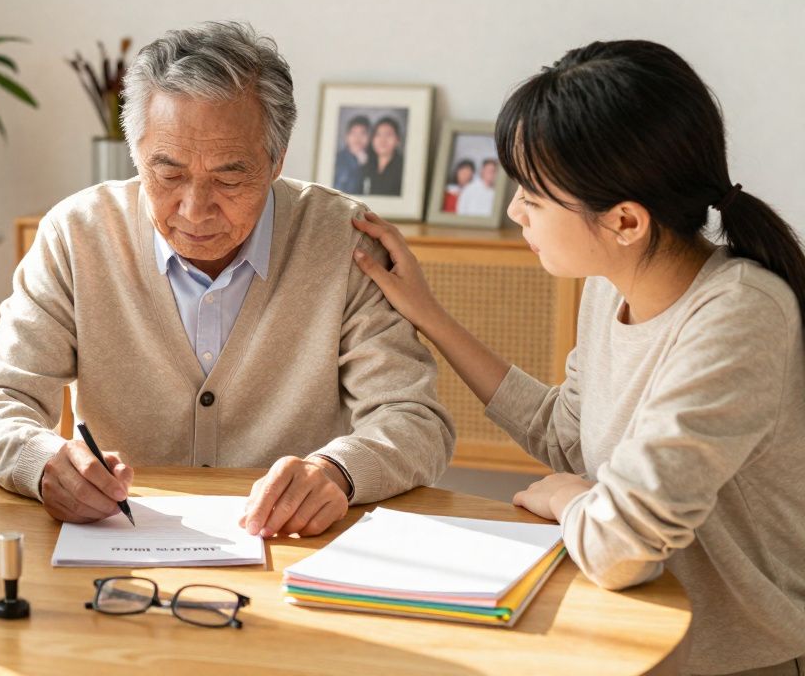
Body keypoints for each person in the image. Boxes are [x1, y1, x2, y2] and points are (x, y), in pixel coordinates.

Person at [351, 40, 805, 676]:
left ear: (625, 222)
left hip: (732, 660)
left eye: (533, 199)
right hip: (628, 641)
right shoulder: (610, 286)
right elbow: (566, 435)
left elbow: (623, 546)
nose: (514, 212)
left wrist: (571, 501)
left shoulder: (740, 316)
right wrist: (429, 314)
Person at [0, 21, 453, 541]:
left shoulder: (343, 242)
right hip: (119, 551)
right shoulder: (76, 235)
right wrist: (44, 461)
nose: (195, 209)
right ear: (136, 154)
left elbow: (415, 420)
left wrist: (339, 472)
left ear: (277, 160)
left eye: (229, 177)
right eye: (167, 174)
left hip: (292, 549)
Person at [364, 117, 404, 196]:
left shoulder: (403, 168)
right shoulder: (366, 167)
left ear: (398, 140)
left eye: (388, 135)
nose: (382, 140)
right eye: (378, 135)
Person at [332, 115, 371, 194]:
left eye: (363, 133)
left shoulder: (371, 160)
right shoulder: (337, 160)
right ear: (347, 137)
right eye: (353, 133)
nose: (358, 138)